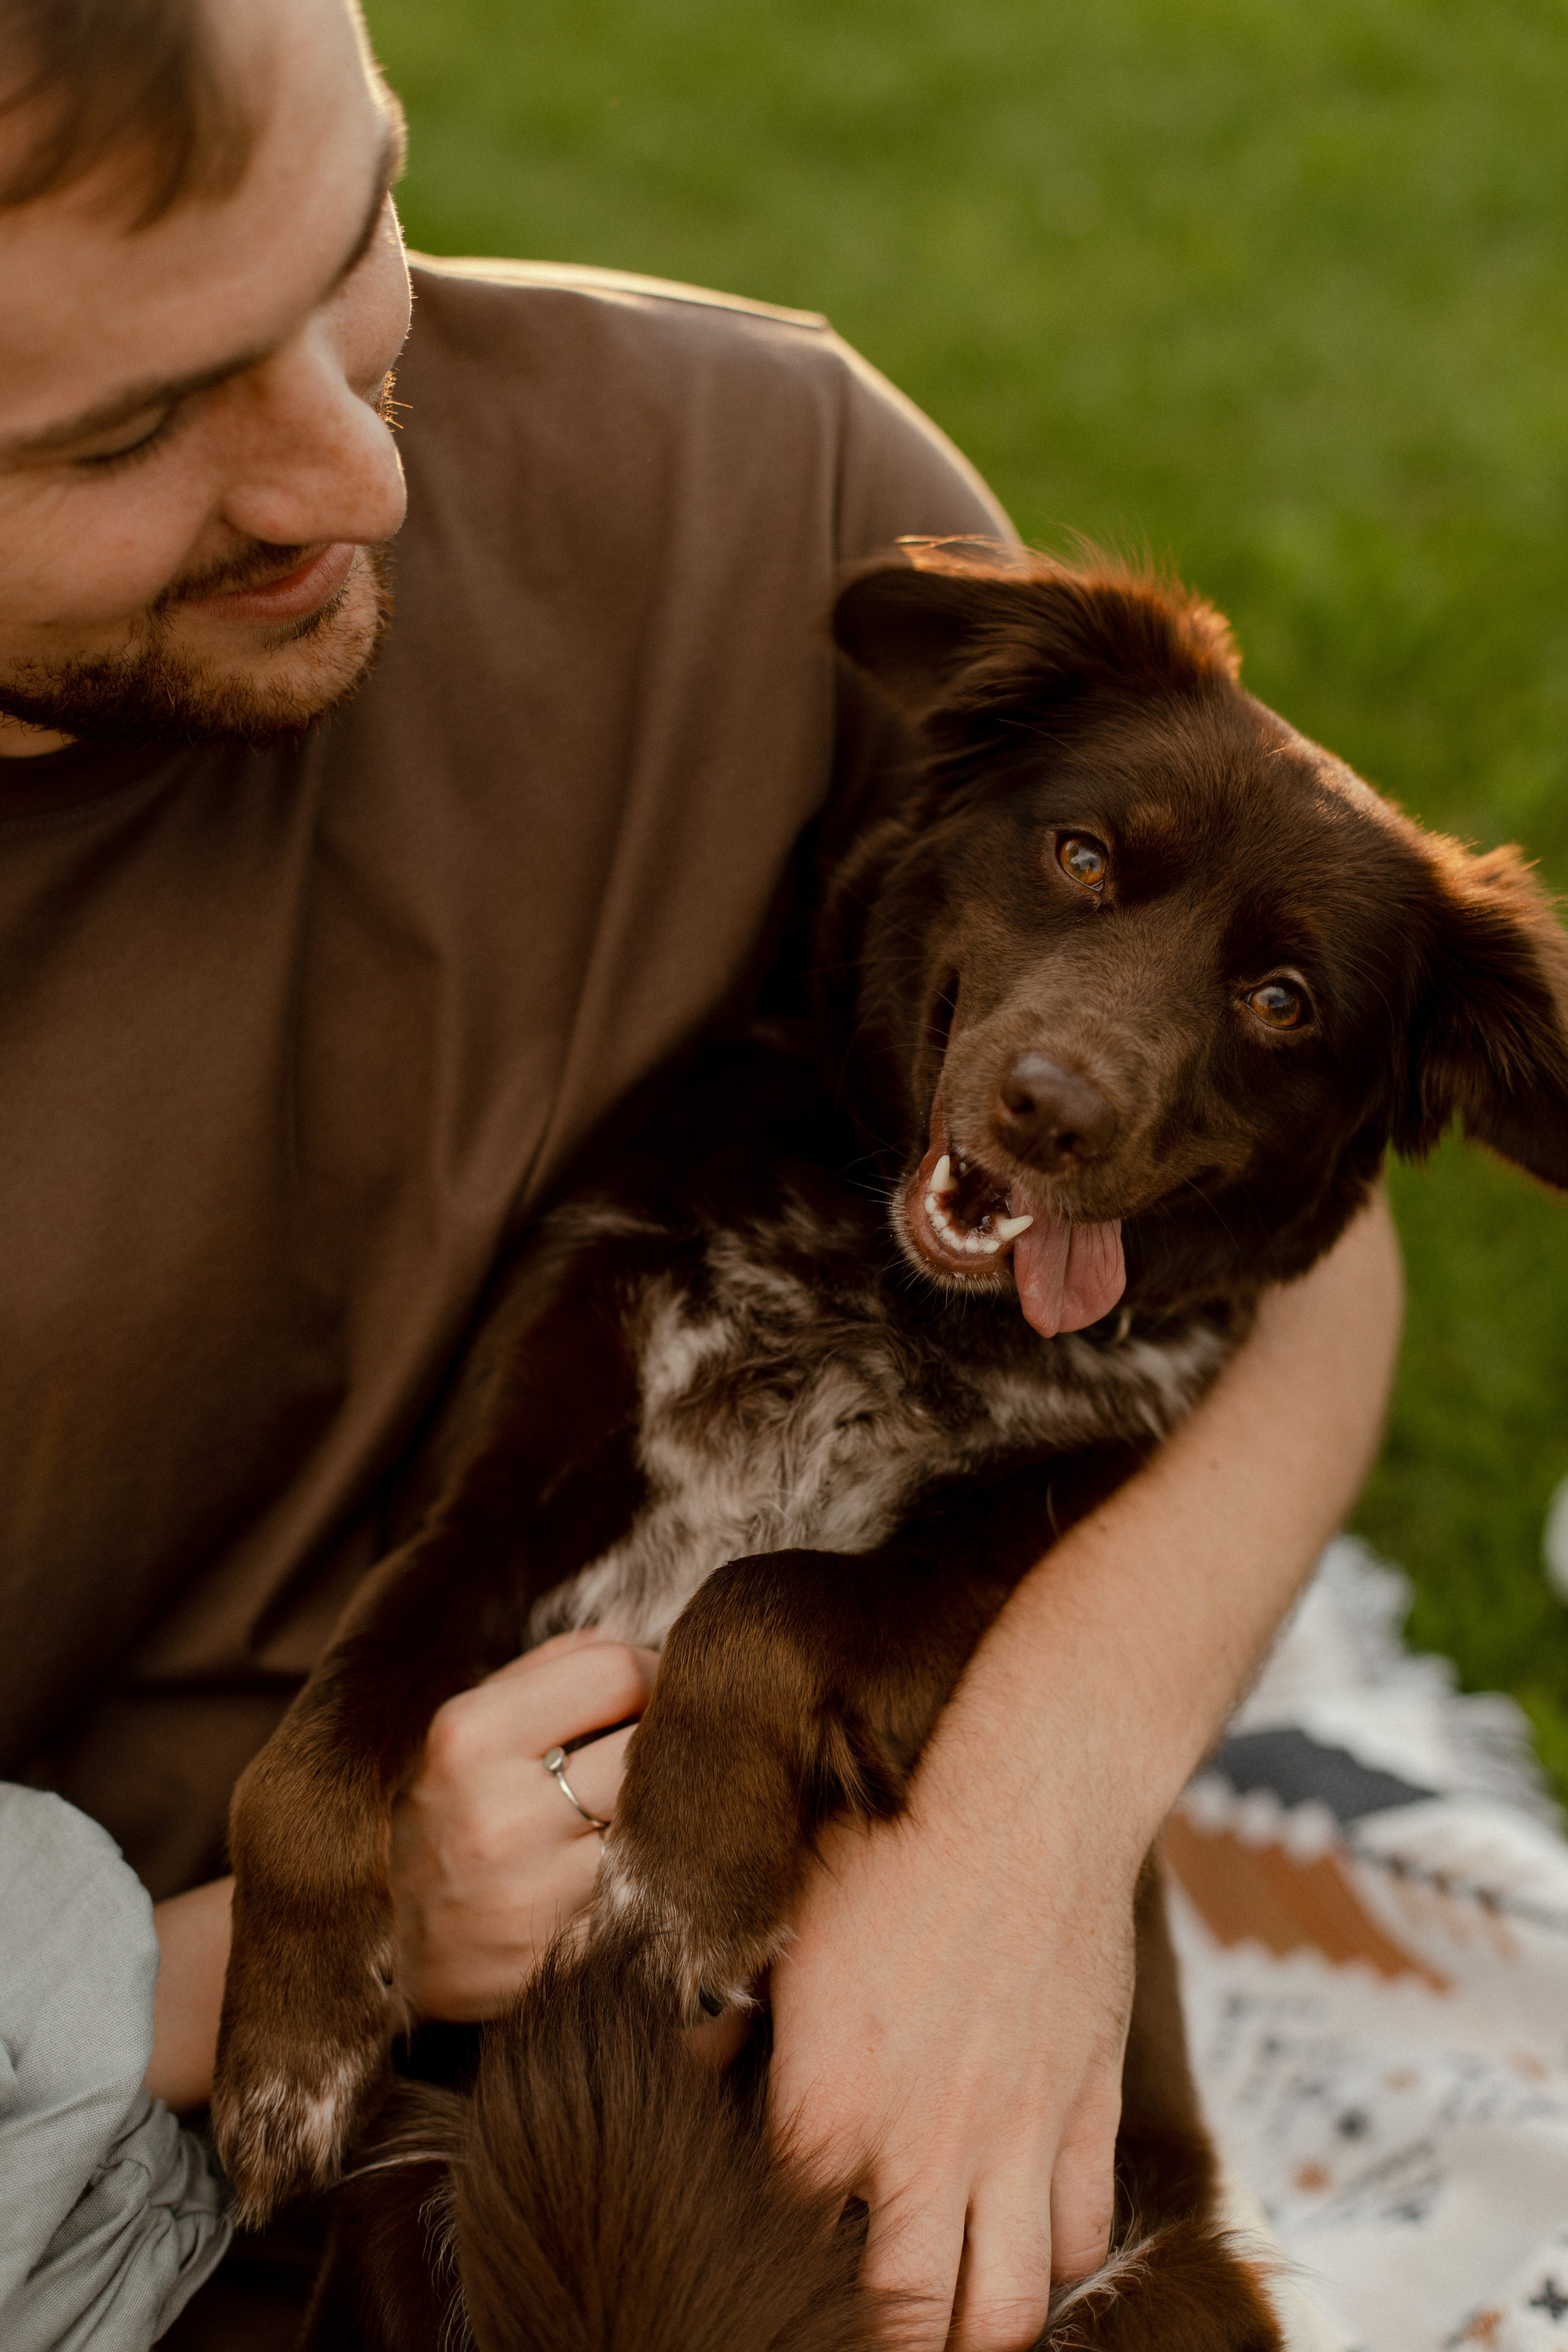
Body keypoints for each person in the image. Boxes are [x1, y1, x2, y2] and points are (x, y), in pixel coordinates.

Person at [0, 0, 1403, 2344]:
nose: (360, 477)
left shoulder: (753, 487)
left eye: (361, 234)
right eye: (137, 425)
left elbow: (1295, 1242)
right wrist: (228, 1963)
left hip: (886, 2129)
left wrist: (1020, 1828)